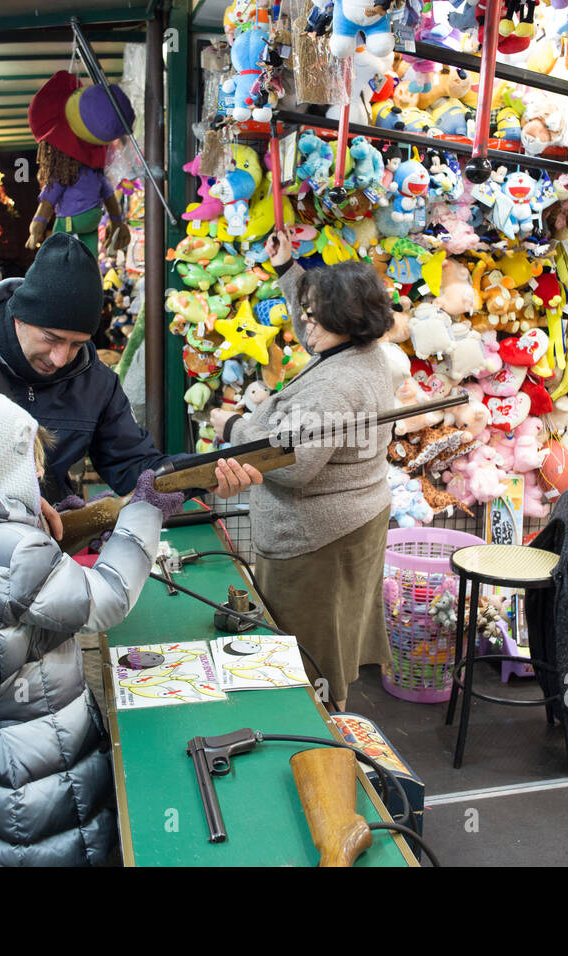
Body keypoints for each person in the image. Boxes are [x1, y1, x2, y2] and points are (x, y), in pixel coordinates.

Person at [0, 230, 261, 866]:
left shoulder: (91, 380)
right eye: (50, 338)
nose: (61, 356)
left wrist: (207, 471)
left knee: (36, 777)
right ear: (18, 312)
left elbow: (138, 468)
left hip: (40, 615)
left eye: (77, 343)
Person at [0, 390, 184, 865]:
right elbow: (106, 599)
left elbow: (8, 598)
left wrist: (56, 532)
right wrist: (144, 512)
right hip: (37, 759)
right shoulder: (17, 552)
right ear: (2, 467)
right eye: (31, 461)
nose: (39, 473)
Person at [209, 232, 394, 712]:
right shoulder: (361, 351)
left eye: (314, 313)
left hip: (316, 539)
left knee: (307, 656)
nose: (304, 321)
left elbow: (292, 464)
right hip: (355, 519)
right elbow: (314, 325)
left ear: (343, 318)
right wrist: (288, 270)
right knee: (334, 635)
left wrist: (233, 425)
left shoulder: (333, 384)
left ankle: (315, 735)